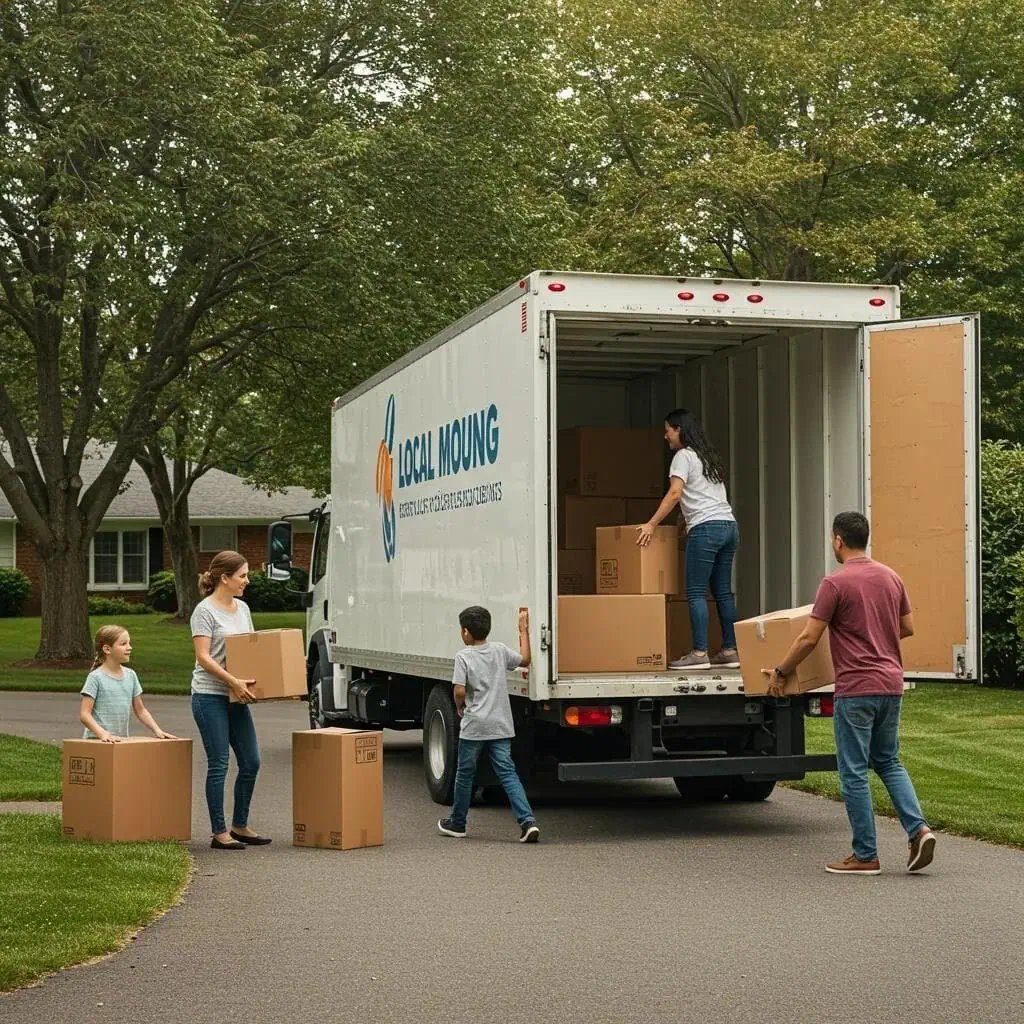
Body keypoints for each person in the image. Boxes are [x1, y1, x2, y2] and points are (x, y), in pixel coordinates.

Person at [763, 511, 936, 876]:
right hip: (891, 684)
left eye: (832, 539)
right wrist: (875, 634)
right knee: (888, 761)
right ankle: (919, 830)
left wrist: (781, 672)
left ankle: (865, 855)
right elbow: (907, 627)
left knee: (854, 771)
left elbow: (808, 638)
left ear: (838, 540)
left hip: (857, 688)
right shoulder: (891, 577)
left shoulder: (835, 583)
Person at [637, 408, 739, 671]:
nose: (666, 436)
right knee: (722, 591)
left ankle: (699, 653)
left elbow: (675, 493)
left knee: (695, 591)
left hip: (706, 529)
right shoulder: (707, 457)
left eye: (668, 431)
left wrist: (651, 524)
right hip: (729, 526)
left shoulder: (682, 456)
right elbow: (702, 495)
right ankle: (730, 650)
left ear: (679, 430)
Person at [438, 606, 540, 843]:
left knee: (465, 774)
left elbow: (459, 690)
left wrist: (460, 706)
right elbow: (525, 660)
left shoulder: (463, 656)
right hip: (500, 725)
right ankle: (527, 822)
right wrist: (523, 630)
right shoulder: (500, 650)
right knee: (508, 773)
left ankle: (458, 823)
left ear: (465, 632)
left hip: (474, 726)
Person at [190, 550, 269, 851]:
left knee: (251, 761)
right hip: (209, 696)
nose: (247, 581)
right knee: (219, 763)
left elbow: (250, 650)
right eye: (242, 576)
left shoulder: (243, 609)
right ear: (224, 578)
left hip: (236, 697)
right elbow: (203, 657)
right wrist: (233, 681)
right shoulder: (204, 611)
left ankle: (240, 825)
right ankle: (219, 832)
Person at [79, 625, 177, 742]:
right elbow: (85, 715)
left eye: (129, 643)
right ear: (107, 649)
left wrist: (157, 730)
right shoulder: (95, 677)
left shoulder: (131, 675)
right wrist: (103, 734)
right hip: (97, 740)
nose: (129, 647)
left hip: (120, 741)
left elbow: (140, 710)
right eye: (123, 644)